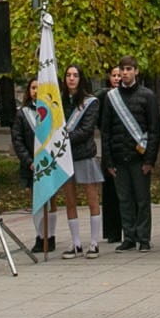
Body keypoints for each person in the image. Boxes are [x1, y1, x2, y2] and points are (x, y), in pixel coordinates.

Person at [99, 56, 160, 252]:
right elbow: (106, 131)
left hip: (139, 157)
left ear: (136, 71)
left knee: (142, 199)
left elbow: (154, 129)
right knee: (124, 199)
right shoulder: (111, 98)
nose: (124, 73)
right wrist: (108, 160)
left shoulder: (147, 96)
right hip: (119, 156)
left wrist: (150, 159)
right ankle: (129, 236)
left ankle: (143, 237)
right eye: (122, 70)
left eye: (128, 69)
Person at [54, 64, 106, 257]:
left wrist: (63, 139)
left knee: (92, 199)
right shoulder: (58, 101)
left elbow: (86, 130)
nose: (71, 78)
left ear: (81, 78)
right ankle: (75, 243)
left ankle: (94, 242)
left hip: (84, 154)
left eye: (75, 75)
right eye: (68, 75)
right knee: (69, 200)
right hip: (65, 156)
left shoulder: (90, 102)